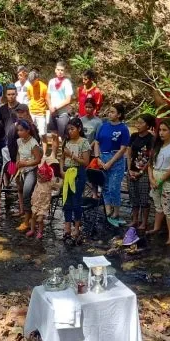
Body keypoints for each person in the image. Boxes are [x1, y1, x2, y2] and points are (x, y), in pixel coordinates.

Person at [147, 119, 170, 246]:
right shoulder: (157, 145)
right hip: (155, 176)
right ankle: (156, 227)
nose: (161, 133)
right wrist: (151, 178)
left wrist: (161, 180)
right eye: (160, 130)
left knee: (168, 207)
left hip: (167, 179)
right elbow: (150, 163)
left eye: (164, 130)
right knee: (158, 205)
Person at [123, 114, 155, 246]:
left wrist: (141, 171)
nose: (138, 124)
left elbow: (151, 157)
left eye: (141, 123)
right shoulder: (134, 136)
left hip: (144, 172)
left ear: (147, 125)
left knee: (144, 197)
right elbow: (129, 152)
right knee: (133, 195)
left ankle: (144, 221)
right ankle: (135, 219)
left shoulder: (151, 138)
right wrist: (129, 169)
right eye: (137, 122)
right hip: (132, 170)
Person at [96, 103, 130, 226]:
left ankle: (116, 211)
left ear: (119, 115)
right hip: (102, 156)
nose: (109, 114)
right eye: (109, 111)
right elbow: (97, 142)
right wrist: (97, 158)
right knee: (104, 186)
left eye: (112, 112)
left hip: (116, 159)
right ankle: (108, 208)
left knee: (114, 187)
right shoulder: (103, 126)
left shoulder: (123, 129)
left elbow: (123, 149)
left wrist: (111, 162)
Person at [59, 117, 91, 246]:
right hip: (67, 171)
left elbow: (86, 162)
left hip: (78, 172)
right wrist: (61, 170)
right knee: (66, 199)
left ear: (79, 128)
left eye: (72, 129)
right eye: (68, 129)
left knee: (76, 200)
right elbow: (61, 157)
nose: (70, 132)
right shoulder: (66, 141)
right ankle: (67, 226)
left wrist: (71, 155)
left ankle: (76, 227)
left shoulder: (84, 142)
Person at [14, 119, 42, 233]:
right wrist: (17, 165)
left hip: (31, 170)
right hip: (21, 170)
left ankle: (26, 221)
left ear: (28, 131)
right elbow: (18, 154)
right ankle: (29, 217)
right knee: (22, 191)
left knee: (26, 194)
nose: (19, 133)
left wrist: (25, 163)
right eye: (18, 130)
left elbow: (38, 160)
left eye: (21, 130)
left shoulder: (33, 143)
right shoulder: (19, 141)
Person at [47, 61, 74, 160]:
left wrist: (56, 107)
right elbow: (48, 96)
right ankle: (53, 154)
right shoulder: (51, 81)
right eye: (58, 70)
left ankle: (65, 156)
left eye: (62, 70)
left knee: (64, 136)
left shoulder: (67, 82)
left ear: (65, 71)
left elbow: (68, 100)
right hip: (52, 111)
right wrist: (50, 106)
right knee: (54, 134)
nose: (60, 72)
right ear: (55, 70)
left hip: (62, 113)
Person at [28, 161, 55, 239]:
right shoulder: (38, 182)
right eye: (38, 177)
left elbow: (57, 186)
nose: (39, 178)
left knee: (40, 219)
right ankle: (32, 230)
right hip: (36, 202)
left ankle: (40, 232)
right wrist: (32, 198)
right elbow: (34, 190)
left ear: (47, 177)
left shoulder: (49, 183)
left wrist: (58, 180)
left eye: (41, 177)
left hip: (44, 205)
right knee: (33, 217)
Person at [27, 70, 49, 156]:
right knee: (31, 132)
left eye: (33, 82)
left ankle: (44, 153)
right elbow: (30, 98)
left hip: (41, 113)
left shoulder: (44, 87)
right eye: (30, 82)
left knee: (43, 133)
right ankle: (32, 151)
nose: (32, 83)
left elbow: (47, 100)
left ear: (37, 79)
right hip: (31, 112)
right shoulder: (29, 87)